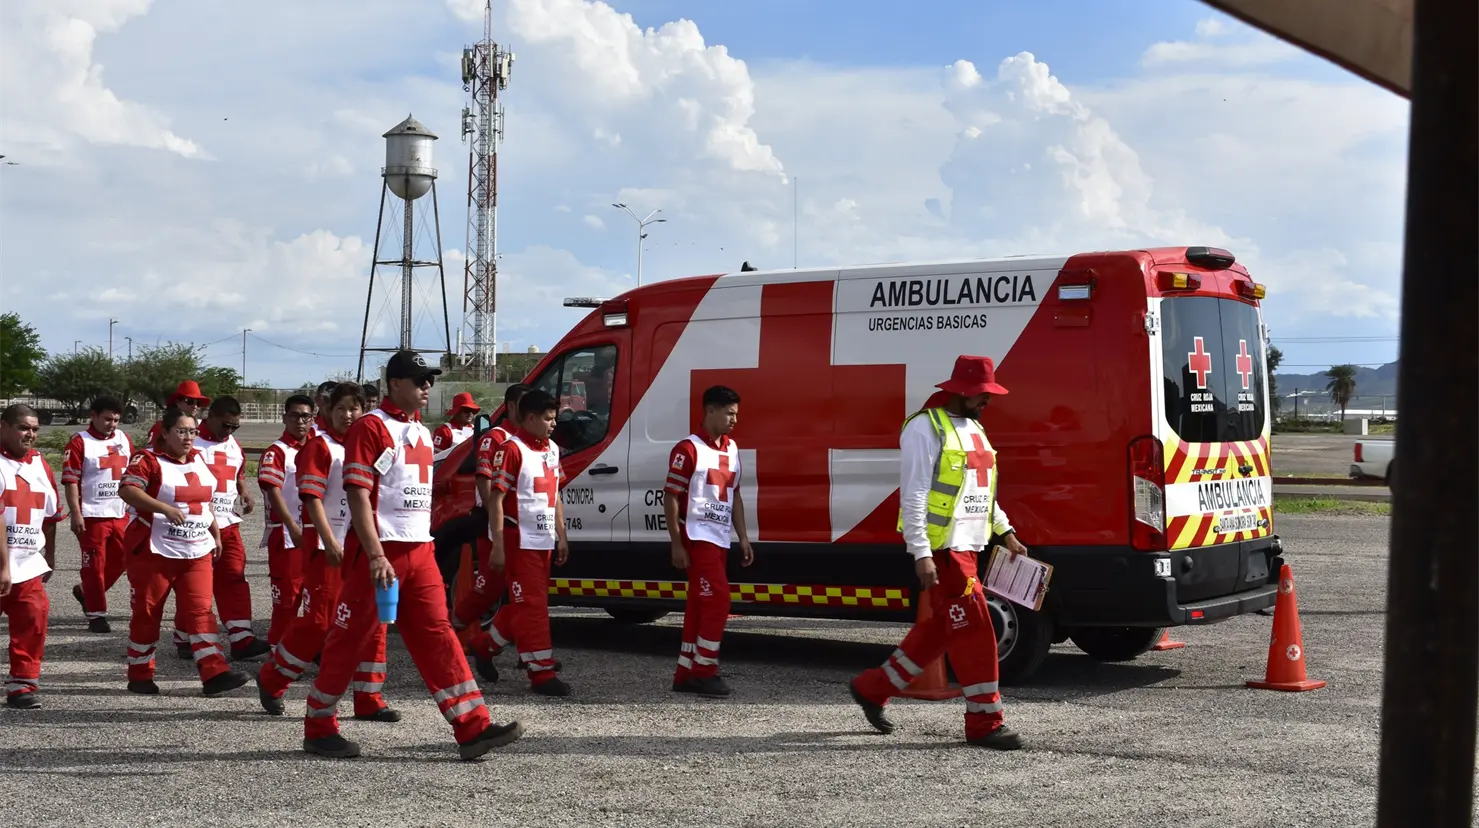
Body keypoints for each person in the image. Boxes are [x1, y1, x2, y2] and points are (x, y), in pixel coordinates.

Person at [303, 350, 520, 760]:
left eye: (429, 381)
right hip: (380, 553)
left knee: (437, 633)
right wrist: (374, 554)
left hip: (420, 551)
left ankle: (472, 727)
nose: (427, 388)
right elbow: (358, 493)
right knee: (350, 639)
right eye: (420, 380)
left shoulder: (421, 431)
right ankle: (318, 725)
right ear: (395, 384)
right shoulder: (371, 427)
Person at [848, 355, 1028, 751]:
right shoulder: (923, 429)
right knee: (978, 629)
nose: (988, 402)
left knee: (941, 631)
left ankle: (872, 688)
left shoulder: (975, 428)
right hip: (945, 550)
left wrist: (1006, 531)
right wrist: (921, 552)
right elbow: (912, 494)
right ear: (960, 390)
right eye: (982, 394)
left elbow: (983, 491)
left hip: (970, 546)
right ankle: (985, 722)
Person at [258, 382, 398, 723]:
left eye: (355, 409)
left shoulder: (367, 443)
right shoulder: (320, 447)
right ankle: (273, 678)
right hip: (328, 547)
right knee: (320, 621)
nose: (348, 415)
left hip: (365, 545)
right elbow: (311, 498)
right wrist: (329, 540)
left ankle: (369, 697)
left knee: (374, 621)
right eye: (341, 409)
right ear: (327, 411)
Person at [119, 407, 251, 697]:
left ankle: (214, 673)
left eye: (192, 431)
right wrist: (164, 508)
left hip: (196, 550)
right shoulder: (147, 460)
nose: (188, 437)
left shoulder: (198, 460)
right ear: (165, 433)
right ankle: (140, 673)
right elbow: (128, 490)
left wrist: (214, 532)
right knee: (148, 613)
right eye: (181, 431)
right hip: (155, 551)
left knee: (201, 611)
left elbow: (204, 504)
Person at [665, 385, 754, 697]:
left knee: (699, 606)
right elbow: (671, 497)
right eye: (729, 413)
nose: (734, 420)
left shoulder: (731, 449)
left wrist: (743, 536)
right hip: (697, 537)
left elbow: (735, 494)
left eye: (736, 414)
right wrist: (677, 542)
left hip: (719, 539)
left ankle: (686, 672)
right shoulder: (688, 449)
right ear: (710, 411)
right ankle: (705, 669)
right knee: (718, 601)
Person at [484, 389, 571, 697]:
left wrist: (561, 535)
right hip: (517, 539)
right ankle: (542, 672)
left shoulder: (553, 450)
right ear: (530, 418)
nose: (553, 425)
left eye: (554, 419)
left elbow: (555, 493)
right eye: (548, 419)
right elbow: (496, 499)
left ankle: (484, 645)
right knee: (532, 606)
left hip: (543, 539)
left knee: (526, 604)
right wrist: (497, 543)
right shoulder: (511, 449)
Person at [176, 396, 268, 660]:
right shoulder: (191, 441)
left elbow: (236, 471)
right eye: (226, 425)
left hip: (228, 523)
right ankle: (184, 636)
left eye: (235, 427)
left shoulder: (232, 444)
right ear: (211, 417)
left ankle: (241, 638)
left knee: (234, 576)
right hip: (196, 524)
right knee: (195, 584)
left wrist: (244, 490)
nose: (230, 432)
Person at [452, 382, 531, 679]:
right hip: (494, 522)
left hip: (526, 527)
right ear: (511, 406)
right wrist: (496, 520)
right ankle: (454, 627)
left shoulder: (530, 440)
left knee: (523, 592)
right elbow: (485, 483)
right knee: (489, 588)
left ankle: (527, 653)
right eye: (527, 405)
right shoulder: (494, 438)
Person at [0, 404, 64, 709]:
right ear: (4, 427)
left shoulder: (41, 465)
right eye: (24, 428)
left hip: (25, 563)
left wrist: (49, 556)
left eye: (35, 429)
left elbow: (50, 517)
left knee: (33, 618)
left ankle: (21, 685)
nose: (31, 435)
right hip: (2, 565)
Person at [62, 395, 134, 633]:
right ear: (93, 415)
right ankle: (96, 615)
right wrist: (76, 513)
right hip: (92, 515)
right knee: (93, 565)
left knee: (123, 560)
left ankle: (85, 592)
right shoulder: (79, 442)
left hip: (120, 513)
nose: (112, 424)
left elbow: (133, 473)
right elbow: (71, 481)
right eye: (107, 419)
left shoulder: (124, 439)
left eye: (116, 419)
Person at [258, 395, 314, 646]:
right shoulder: (276, 451)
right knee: (287, 600)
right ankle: (278, 651)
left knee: (316, 597)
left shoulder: (318, 447)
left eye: (305, 416)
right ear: (284, 418)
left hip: (316, 534)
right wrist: (292, 526)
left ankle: (310, 649)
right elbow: (272, 490)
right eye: (294, 415)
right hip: (286, 535)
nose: (300, 421)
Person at [145, 380, 210, 444]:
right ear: (177, 402)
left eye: (198, 403)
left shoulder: (203, 428)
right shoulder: (161, 426)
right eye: (190, 401)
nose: (195, 406)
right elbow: (152, 451)